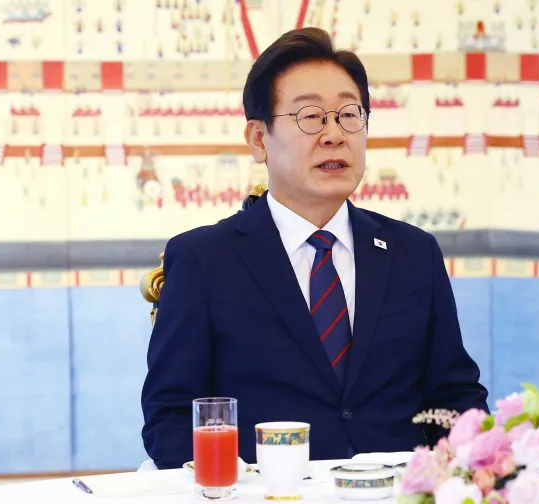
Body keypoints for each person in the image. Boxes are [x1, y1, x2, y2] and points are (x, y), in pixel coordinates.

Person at [141, 27, 488, 468]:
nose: (334, 134)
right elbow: (171, 417)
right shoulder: (204, 259)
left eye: (349, 114)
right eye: (310, 116)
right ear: (259, 140)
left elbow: (454, 396)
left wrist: (472, 470)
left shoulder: (413, 252)